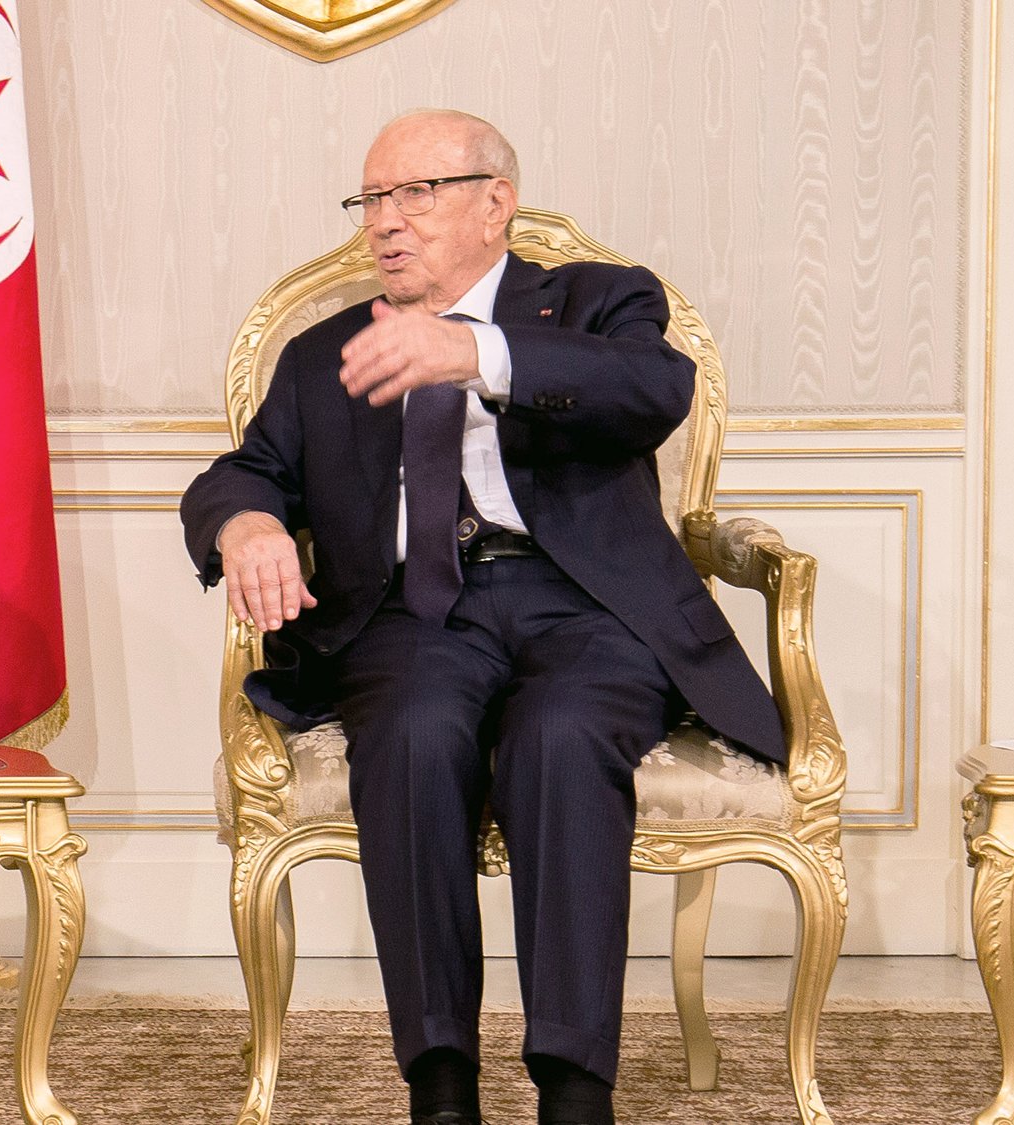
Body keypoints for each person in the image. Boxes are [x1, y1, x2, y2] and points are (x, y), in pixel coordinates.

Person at [181, 109, 784, 1125]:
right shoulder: (326, 351)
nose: (383, 223)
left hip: (584, 608)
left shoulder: (596, 302)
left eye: (413, 194)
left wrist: (477, 355)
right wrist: (245, 528)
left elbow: (650, 391)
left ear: (492, 204)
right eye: (370, 198)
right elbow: (239, 474)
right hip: (413, 614)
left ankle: (572, 1087)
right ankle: (441, 1084)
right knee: (411, 735)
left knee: (558, 735)